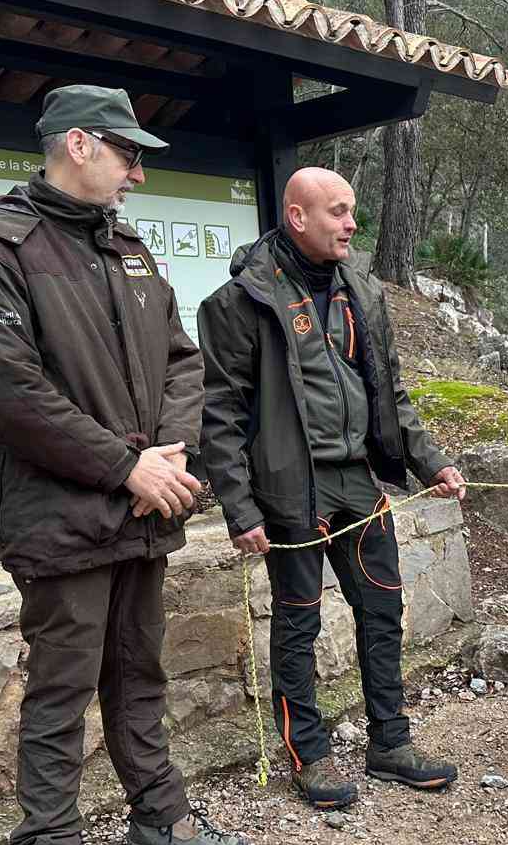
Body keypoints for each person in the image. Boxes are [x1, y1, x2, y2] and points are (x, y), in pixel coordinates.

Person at [0, 85, 249, 845]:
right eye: (126, 152)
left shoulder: (129, 247)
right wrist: (126, 465)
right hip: (63, 517)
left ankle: (160, 819)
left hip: (144, 509)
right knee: (59, 697)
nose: (138, 169)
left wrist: (173, 455)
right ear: (78, 144)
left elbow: (183, 362)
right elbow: (13, 395)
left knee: (139, 673)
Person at [198, 167, 467, 810]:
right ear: (298, 217)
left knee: (383, 609)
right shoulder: (241, 302)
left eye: (352, 212)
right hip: (291, 487)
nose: (352, 224)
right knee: (298, 622)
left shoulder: (361, 291)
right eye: (338, 212)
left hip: (357, 479)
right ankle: (309, 755)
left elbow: (390, 391)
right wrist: (240, 509)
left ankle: (390, 743)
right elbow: (220, 416)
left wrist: (429, 463)